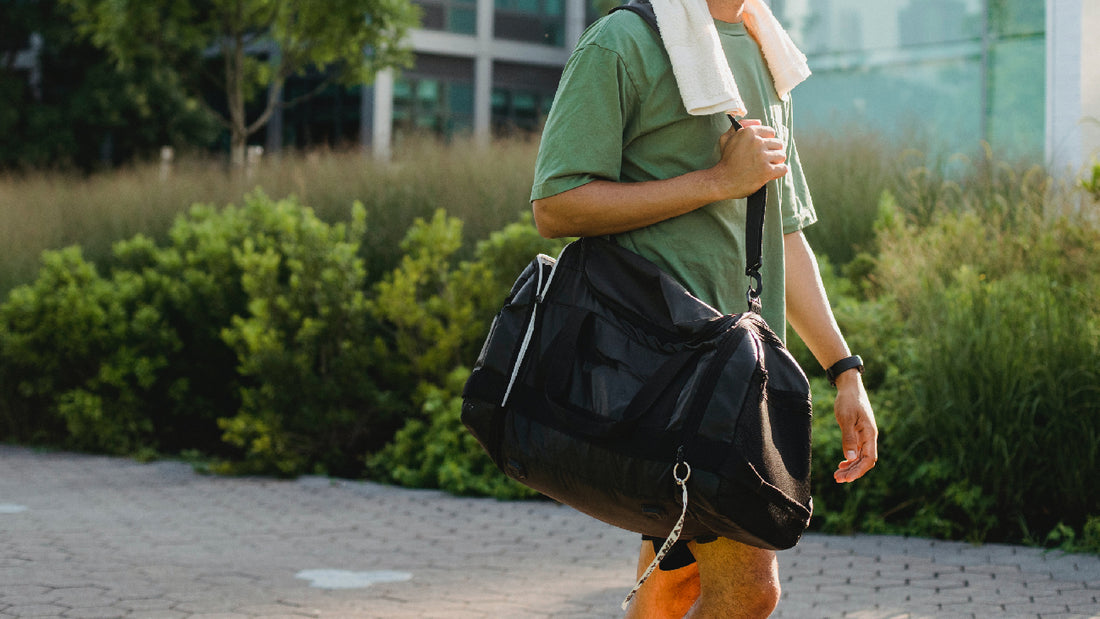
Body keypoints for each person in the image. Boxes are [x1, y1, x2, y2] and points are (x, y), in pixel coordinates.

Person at [529, 0, 879, 616]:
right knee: (750, 588)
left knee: (672, 585)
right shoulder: (625, 41)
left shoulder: (768, 51)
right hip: (658, 370)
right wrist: (716, 182)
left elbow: (785, 232)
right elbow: (557, 204)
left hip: (742, 374)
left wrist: (843, 368)